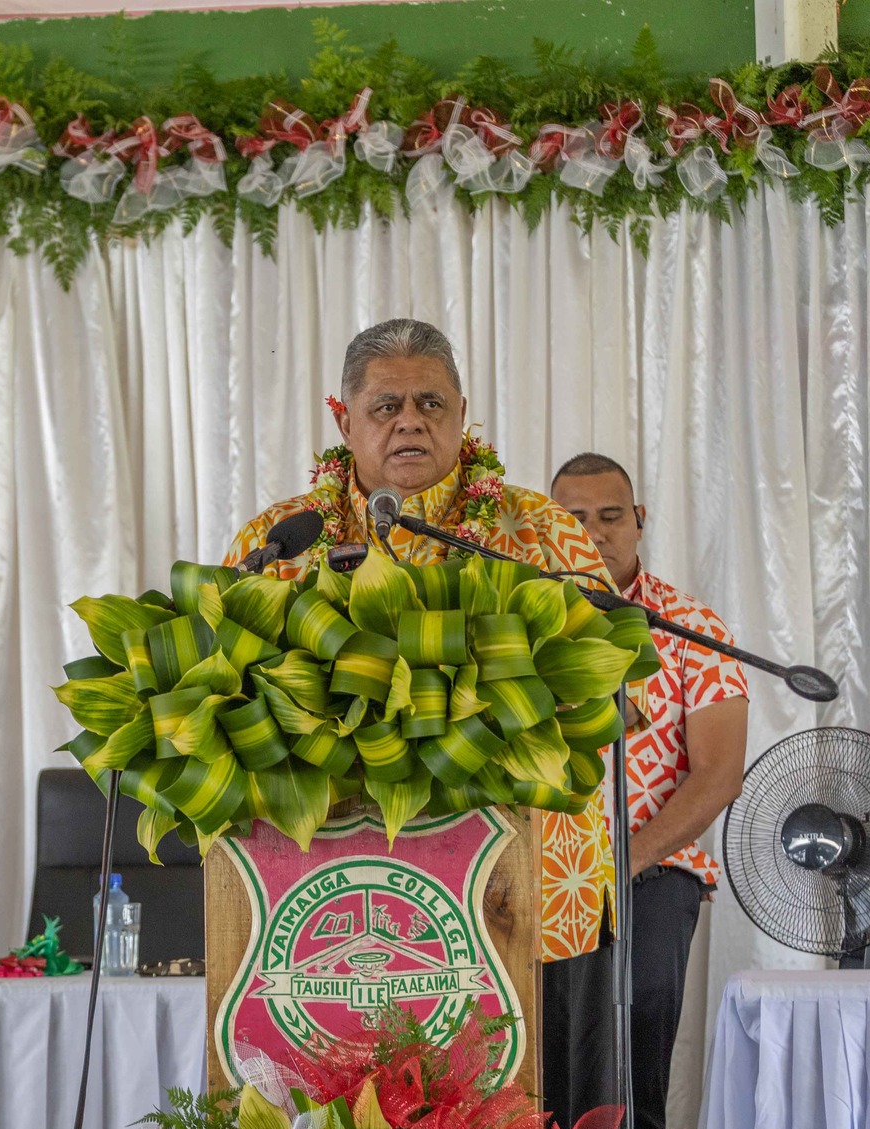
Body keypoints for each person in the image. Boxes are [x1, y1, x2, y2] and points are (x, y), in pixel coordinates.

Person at [224, 318, 625, 975]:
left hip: (532, 895)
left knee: (550, 1083)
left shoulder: (542, 532)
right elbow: (227, 697)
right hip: (326, 905)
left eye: (430, 403)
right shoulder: (279, 540)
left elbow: (604, 694)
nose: (409, 421)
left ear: (462, 415)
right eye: (386, 406)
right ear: (345, 422)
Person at [552, 451, 748, 1129]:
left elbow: (718, 772)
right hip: (540, 875)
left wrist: (622, 861)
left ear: (640, 521)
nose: (595, 533)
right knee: (544, 1048)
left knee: (631, 1041)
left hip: (652, 867)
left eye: (610, 515)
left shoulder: (689, 627)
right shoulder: (517, 622)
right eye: (574, 518)